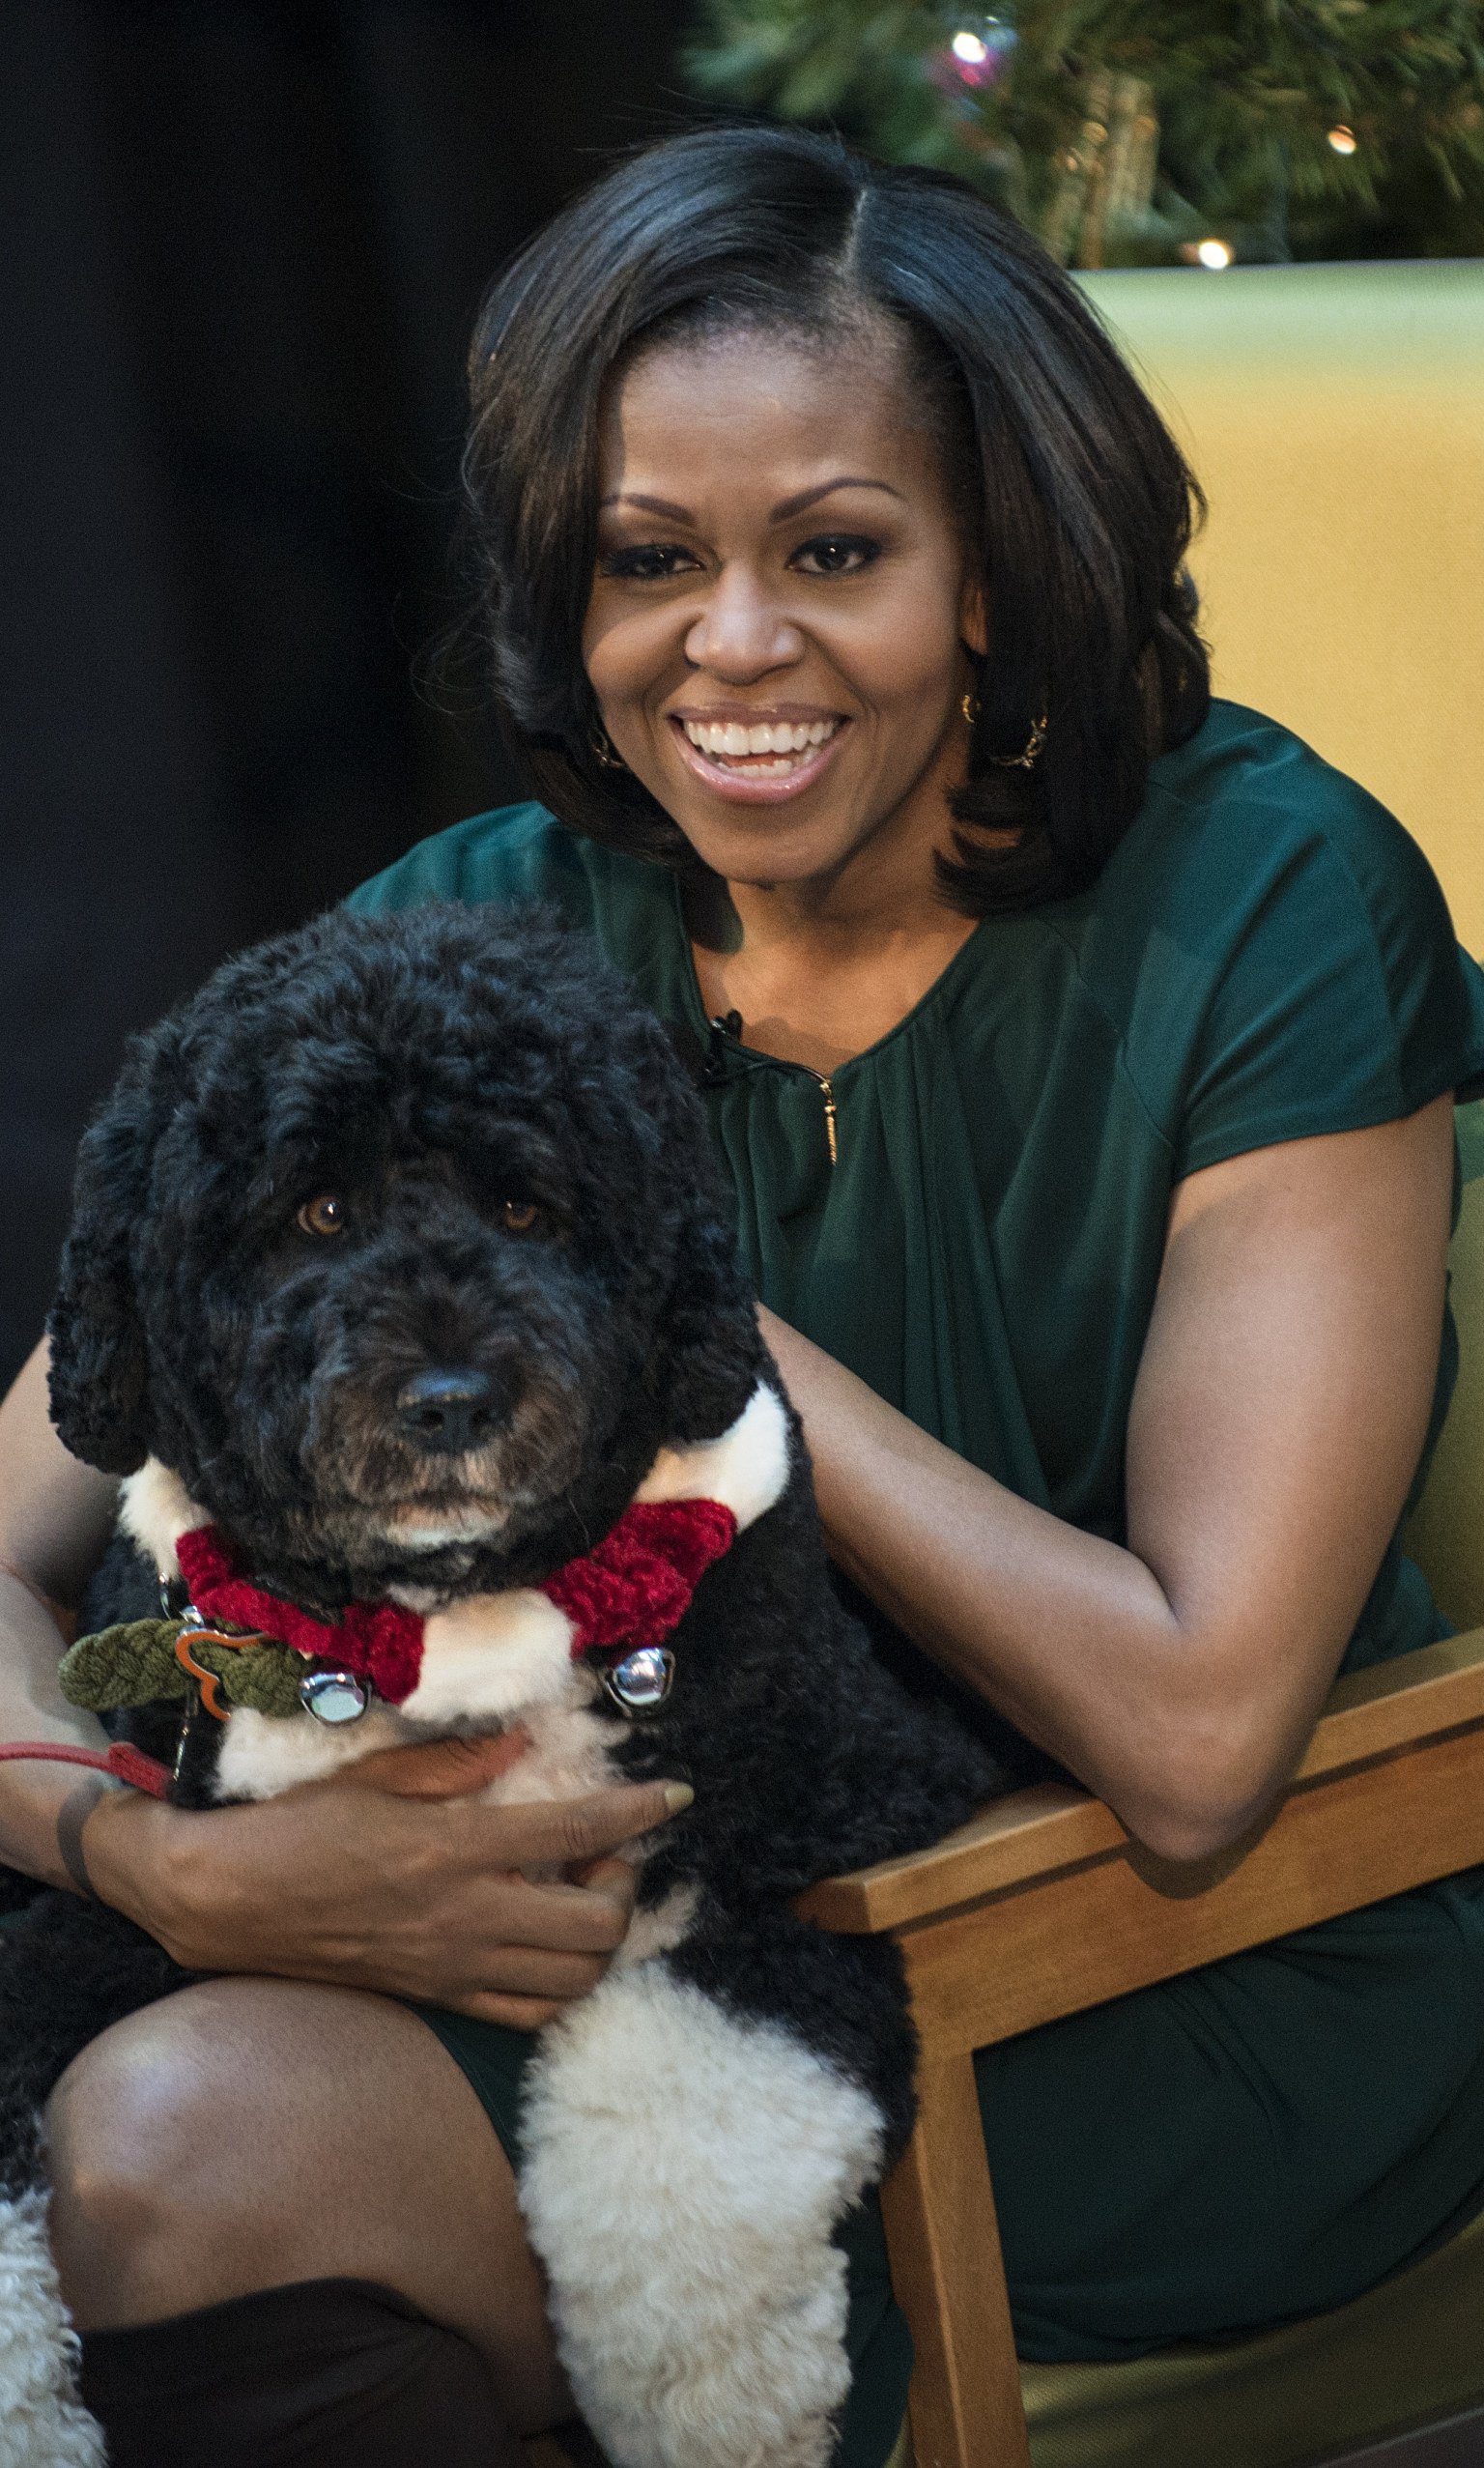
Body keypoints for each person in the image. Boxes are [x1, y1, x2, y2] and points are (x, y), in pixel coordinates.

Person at [3, 123, 1483, 2468]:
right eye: (644, 562)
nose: (732, 648)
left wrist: (699, 1307)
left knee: (187, 2146)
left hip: (1139, 1958)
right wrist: (161, 1853)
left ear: (994, 571)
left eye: (837, 552)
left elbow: (1204, 1745)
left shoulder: (1267, 903)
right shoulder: (470, 925)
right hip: (597, 1921)